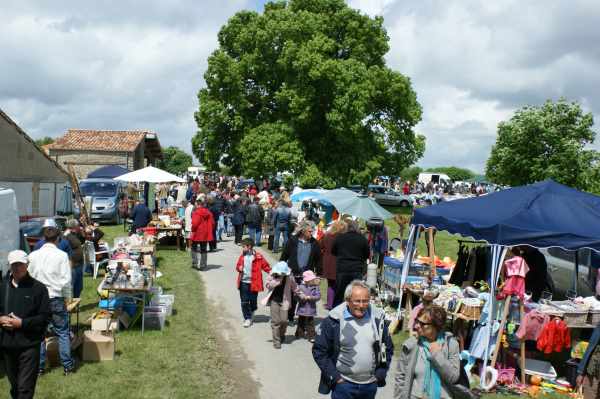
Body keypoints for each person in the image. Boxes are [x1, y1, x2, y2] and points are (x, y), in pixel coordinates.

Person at [313, 280, 394, 398]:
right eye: (357, 301)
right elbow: (319, 351)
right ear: (347, 301)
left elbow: (388, 348)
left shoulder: (376, 319)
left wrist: (381, 373)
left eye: (365, 301)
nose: (361, 305)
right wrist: (335, 377)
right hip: (343, 386)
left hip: (369, 385)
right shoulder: (334, 321)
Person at [0, 250, 50, 399]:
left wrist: (21, 323)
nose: (17, 268)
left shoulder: (39, 288)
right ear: (9, 266)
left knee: (25, 389)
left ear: (27, 265)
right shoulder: (3, 287)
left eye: (20, 264)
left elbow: (45, 317)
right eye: (14, 264)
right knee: (15, 387)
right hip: (8, 345)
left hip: (29, 345)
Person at [27, 226, 74, 375]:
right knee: (62, 332)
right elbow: (66, 280)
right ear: (58, 239)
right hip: (55, 297)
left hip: (38, 299)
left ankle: (39, 368)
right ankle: (67, 366)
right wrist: (68, 298)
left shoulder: (33, 256)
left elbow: (28, 277)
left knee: (39, 334)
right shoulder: (61, 256)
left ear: (43, 238)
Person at [395, 305, 461, 399]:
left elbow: (453, 378)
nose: (417, 326)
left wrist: (437, 355)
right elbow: (401, 377)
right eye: (417, 321)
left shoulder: (451, 345)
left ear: (436, 326)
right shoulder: (412, 345)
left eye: (423, 324)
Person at [280, 220, 321, 324]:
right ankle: (290, 317)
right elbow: (284, 255)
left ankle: (303, 320)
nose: (311, 234)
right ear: (302, 231)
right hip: (293, 274)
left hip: (307, 276)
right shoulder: (292, 241)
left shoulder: (315, 243)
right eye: (309, 231)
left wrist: (319, 274)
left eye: (312, 231)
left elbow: (318, 260)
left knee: (305, 297)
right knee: (292, 297)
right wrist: (280, 269)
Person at [331, 219, 370, 307]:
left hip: (342, 269)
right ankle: (353, 310)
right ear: (356, 228)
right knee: (355, 292)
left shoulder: (340, 237)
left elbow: (333, 251)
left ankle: (335, 313)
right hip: (356, 269)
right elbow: (367, 255)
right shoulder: (362, 239)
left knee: (339, 293)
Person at [235, 238, 271, 327]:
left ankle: (252, 311)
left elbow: (266, 266)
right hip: (243, 282)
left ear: (249, 246)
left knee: (253, 301)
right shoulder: (242, 256)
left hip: (254, 283)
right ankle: (247, 318)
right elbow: (238, 265)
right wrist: (239, 268)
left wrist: (273, 273)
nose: (242, 249)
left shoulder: (258, 256)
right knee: (244, 301)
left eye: (243, 247)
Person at [263, 261, 298, 349]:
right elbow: (267, 285)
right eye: (281, 272)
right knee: (276, 322)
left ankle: (281, 335)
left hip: (285, 301)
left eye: (283, 273)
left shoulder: (290, 276)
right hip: (274, 301)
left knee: (284, 321)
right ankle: (276, 341)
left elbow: (295, 287)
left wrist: (301, 295)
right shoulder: (272, 274)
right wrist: (277, 280)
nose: (282, 274)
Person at [320, 220, 347, 310]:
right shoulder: (341, 238)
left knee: (331, 284)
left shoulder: (327, 235)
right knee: (338, 285)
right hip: (337, 262)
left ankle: (329, 304)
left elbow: (321, 246)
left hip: (327, 261)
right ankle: (335, 304)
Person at [295, 270, 321, 342]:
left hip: (311, 309)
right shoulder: (300, 287)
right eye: (310, 280)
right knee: (301, 322)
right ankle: (299, 334)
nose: (312, 281)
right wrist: (301, 298)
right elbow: (296, 296)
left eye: (312, 280)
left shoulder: (316, 287)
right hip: (302, 308)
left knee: (311, 323)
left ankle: (312, 336)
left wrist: (310, 297)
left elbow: (318, 296)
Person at [190, 199, 215, 270]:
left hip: (197, 232)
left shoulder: (196, 212)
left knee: (193, 248)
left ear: (198, 205)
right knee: (203, 249)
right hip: (205, 233)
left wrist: (192, 229)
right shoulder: (209, 212)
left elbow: (195, 223)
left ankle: (195, 263)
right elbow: (213, 223)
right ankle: (203, 265)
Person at [64, 219, 85, 298]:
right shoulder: (66, 236)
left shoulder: (75, 234)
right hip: (73, 265)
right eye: (78, 226)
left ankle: (76, 303)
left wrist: (82, 231)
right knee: (71, 286)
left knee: (79, 287)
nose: (79, 227)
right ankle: (69, 305)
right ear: (74, 226)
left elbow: (83, 239)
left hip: (79, 264)